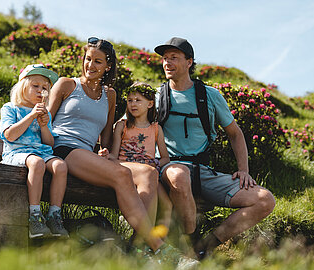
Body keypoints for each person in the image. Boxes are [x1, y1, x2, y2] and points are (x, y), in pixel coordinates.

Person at [48, 37, 198, 267]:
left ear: (108, 66)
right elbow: (45, 122)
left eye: (98, 62)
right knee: (121, 175)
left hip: (88, 155)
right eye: (88, 59)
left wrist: (105, 151)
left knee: (147, 173)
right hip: (63, 148)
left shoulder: (110, 95)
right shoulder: (67, 85)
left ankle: (137, 248)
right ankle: (159, 248)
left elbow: (106, 136)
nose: (91, 65)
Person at [153, 37, 276, 258]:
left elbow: (235, 133)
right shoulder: (157, 96)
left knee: (264, 200)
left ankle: (204, 247)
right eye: (164, 58)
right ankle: (188, 246)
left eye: (174, 58)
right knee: (179, 175)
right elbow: (130, 126)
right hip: (169, 168)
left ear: (189, 62)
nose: (167, 63)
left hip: (203, 172)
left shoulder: (210, 96)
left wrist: (244, 170)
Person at [0, 64, 69, 239]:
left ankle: (54, 215)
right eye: (35, 86)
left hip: (42, 153)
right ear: (23, 87)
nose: (40, 91)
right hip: (17, 152)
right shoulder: (11, 108)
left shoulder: (46, 114)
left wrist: (44, 125)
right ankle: (35, 216)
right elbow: (9, 135)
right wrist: (30, 116)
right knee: (37, 163)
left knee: (61, 166)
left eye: (45, 88)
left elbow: (49, 143)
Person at [100, 82, 173, 230]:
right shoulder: (122, 125)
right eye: (130, 100)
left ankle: (153, 241)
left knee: (167, 205)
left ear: (150, 104)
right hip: (127, 171)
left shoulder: (156, 128)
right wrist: (107, 155)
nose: (133, 104)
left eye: (138, 100)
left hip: (149, 173)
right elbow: (115, 155)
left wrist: (156, 164)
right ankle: (140, 237)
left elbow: (166, 158)